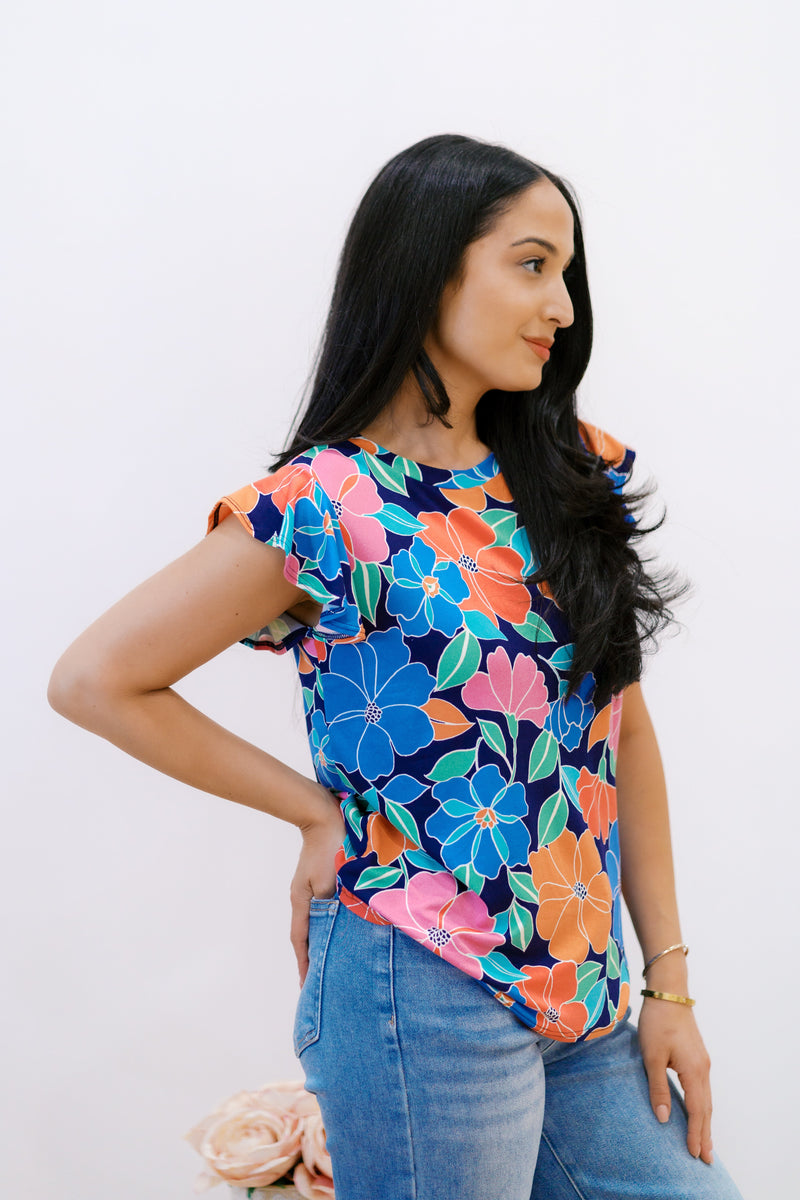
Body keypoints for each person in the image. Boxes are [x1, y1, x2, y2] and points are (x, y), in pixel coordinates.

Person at [48, 134, 743, 1200]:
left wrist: (671, 985)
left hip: (586, 986)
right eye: (531, 264)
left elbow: (625, 729)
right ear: (427, 270)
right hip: (420, 983)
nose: (562, 306)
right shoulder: (324, 505)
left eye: (567, 272)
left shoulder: (571, 470)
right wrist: (311, 813)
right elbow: (96, 679)